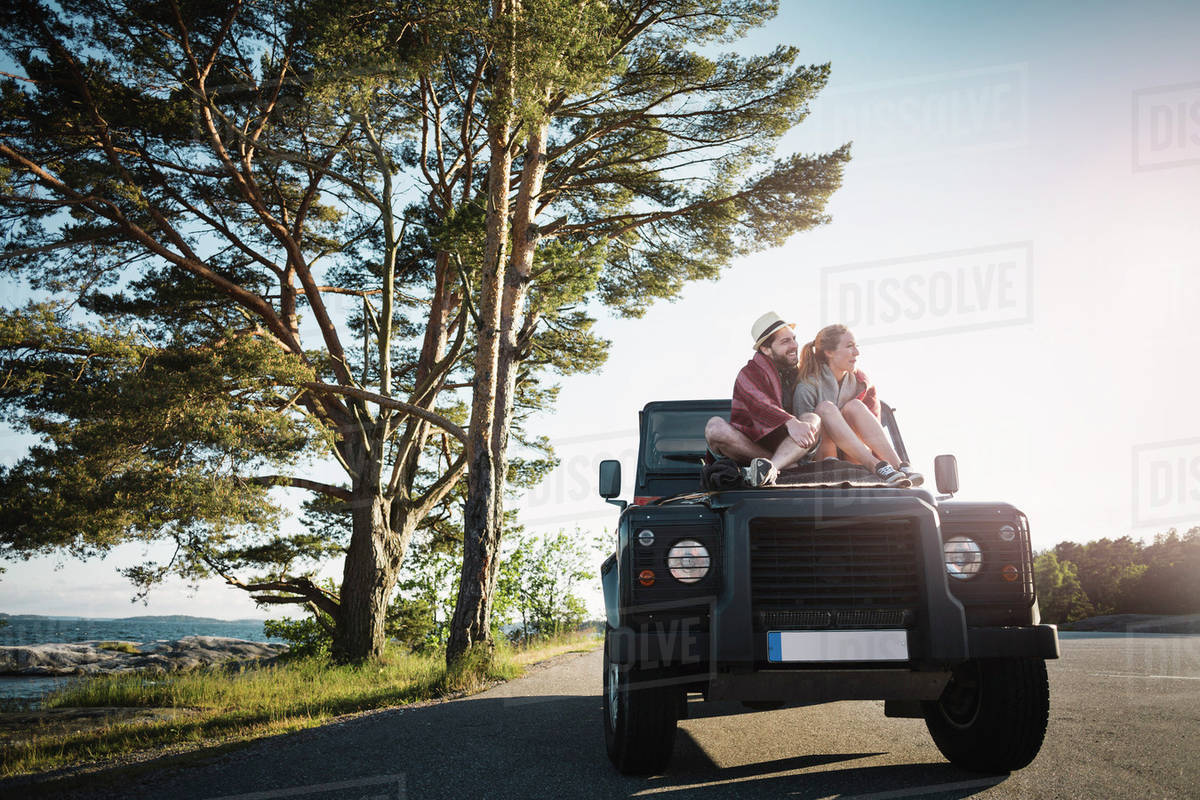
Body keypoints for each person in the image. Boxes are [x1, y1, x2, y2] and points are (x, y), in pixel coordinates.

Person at [792, 324, 923, 486]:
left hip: (855, 456)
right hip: (822, 460)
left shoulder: (858, 384)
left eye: (856, 346)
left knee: (855, 405)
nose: (857, 353)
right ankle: (876, 466)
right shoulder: (807, 386)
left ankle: (900, 467)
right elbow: (803, 442)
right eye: (849, 346)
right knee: (825, 408)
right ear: (829, 352)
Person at [704, 311, 823, 486]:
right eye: (785, 341)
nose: (794, 345)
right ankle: (782, 466)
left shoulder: (799, 374)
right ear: (766, 349)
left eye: (794, 338)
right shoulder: (750, 372)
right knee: (715, 427)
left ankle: (771, 467)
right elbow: (758, 403)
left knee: (812, 418)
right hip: (751, 446)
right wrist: (790, 422)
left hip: (789, 445)